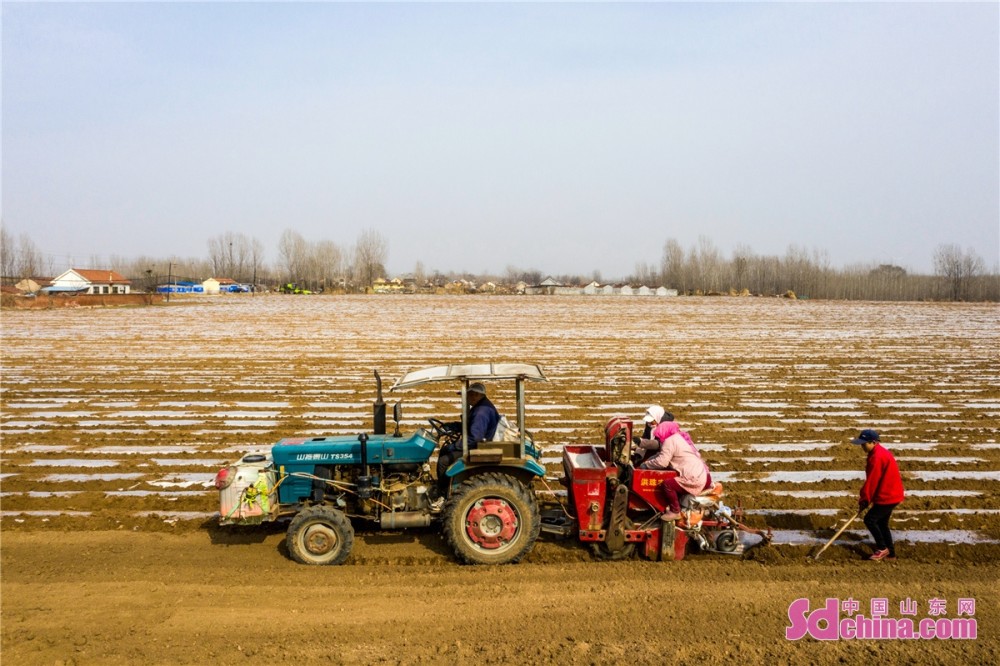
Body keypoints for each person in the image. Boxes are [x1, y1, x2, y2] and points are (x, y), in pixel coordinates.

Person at [633, 405, 711, 521]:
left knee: (668, 485)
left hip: (693, 475)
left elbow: (662, 461)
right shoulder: (675, 437)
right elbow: (660, 454)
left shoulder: (669, 441)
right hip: (696, 470)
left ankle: (675, 511)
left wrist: (645, 465)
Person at [434, 382, 500, 500]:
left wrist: (454, 446)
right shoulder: (481, 406)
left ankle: (442, 495)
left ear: (475, 395)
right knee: (445, 451)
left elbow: (475, 438)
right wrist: (453, 426)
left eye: (467, 396)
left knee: (444, 460)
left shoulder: (481, 412)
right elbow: (471, 426)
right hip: (479, 443)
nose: (466, 399)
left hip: (477, 447)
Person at [851, 428, 905, 561]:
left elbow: (872, 481)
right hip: (891, 494)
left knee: (870, 520)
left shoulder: (877, 457)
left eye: (864, 444)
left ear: (873, 442)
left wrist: (865, 499)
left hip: (888, 495)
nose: (862, 446)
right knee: (882, 523)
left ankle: (882, 548)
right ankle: (891, 554)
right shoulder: (878, 452)